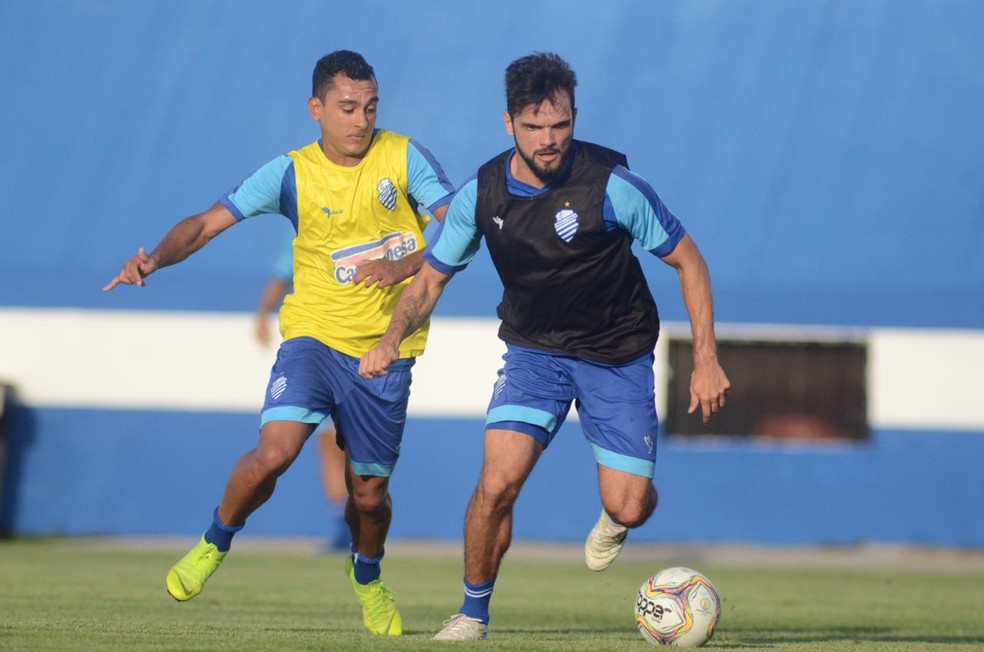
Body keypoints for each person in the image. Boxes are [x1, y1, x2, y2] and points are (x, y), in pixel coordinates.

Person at [359, 52, 731, 641]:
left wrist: (706, 360)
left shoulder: (615, 187)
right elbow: (429, 278)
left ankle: (618, 515)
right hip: (535, 354)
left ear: (574, 118)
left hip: (617, 355)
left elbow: (690, 262)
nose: (548, 140)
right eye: (534, 127)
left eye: (559, 125)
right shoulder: (480, 194)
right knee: (497, 482)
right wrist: (388, 338)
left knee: (630, 504)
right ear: (509, 124)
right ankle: (472, 615)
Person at [104, 49, 454, 636]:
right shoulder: (290, 172)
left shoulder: (404, 156)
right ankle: (214, 542)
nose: (360, 121)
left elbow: (458, 224)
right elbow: (205, 223)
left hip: (385, 352)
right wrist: (155, 259)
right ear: (316, 109)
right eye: (346, 108)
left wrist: (410, 263)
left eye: (369, 108)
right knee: (275, 453)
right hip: (312, 338)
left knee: (369, 497)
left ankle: (367, 576)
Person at [254, 232, 350, 552]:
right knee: (330, 444)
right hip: (317, 350)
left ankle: (357, 526)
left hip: (361, 347)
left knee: (358, 448)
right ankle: (344, 527)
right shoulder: (307, 232)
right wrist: (262, 314)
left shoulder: (371, 224)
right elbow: (282, 275)